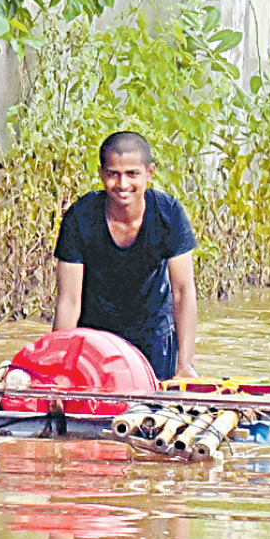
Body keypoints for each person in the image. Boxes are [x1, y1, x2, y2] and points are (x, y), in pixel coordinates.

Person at [53, 131, 199, 380]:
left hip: (154, 338)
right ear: (101, 174)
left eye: (132, 174)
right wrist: (58, 369)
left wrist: (184, 365)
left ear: (149, 173)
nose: (122, 185)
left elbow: (183, 293)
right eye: (113, 174)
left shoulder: (169, 213)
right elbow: (69, 301)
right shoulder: (80, 217)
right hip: (94, 339)